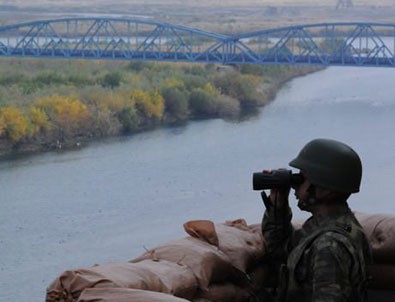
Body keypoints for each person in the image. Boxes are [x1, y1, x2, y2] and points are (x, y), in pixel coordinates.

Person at [260, 138, 372, 302]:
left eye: (303, 179)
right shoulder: (331, 225)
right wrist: (278, 205)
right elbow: (280, 249)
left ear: (326, 191)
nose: (296, 185)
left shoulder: (329, 245)